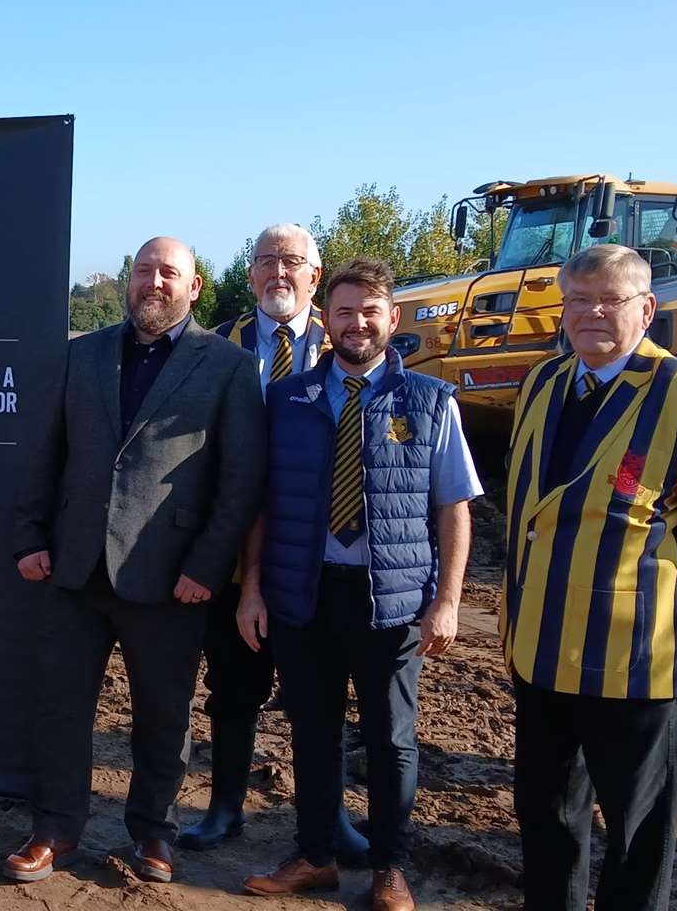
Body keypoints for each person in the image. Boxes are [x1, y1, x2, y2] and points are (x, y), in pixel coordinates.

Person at [4, 236, 266, 885]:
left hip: (169, 576)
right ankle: (54, 831)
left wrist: (207, 567)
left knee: (163, 715)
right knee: (59, 709)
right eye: (144, 270)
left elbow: (240, 482)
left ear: (193, 287)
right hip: (72, 567)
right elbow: (44, 454)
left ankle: (153, 833)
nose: (154, 282)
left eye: (168, 273)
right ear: (129, 279)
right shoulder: (80, 356)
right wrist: (29, 537)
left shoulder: (227, 367)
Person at [501, 244, 677, 911]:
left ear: (644, 309)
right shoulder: (542, 383)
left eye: (607, 300)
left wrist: (672, 612)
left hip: (635, 658)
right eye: (577, 300)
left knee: (635, 834)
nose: (589, 313)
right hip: (538, 648)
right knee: (546, 816)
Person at [237, 257, 482, 911]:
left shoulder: (429, 402)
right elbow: (263, 502)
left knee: (391, 741)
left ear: (391, 319)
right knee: (311, 734)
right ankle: (314, 856)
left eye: (369, 311)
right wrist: (252, 588)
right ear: (326, 319)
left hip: (392, 603)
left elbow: (453, 507)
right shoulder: (285, 401)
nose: (356, 323)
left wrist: (448, 601)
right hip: (303, 595)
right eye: (343, 312)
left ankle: (388, 870)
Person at [186, 223, 366, 864]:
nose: (278, 273)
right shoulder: (215, 346)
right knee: (234, 687)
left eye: (292, 262)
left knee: (319, 699)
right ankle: (224, 807)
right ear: (251, 273)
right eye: (266, 262)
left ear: (315, 277)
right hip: (231, 556)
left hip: (314, 558)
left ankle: (328, 819)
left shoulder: (346, 341)